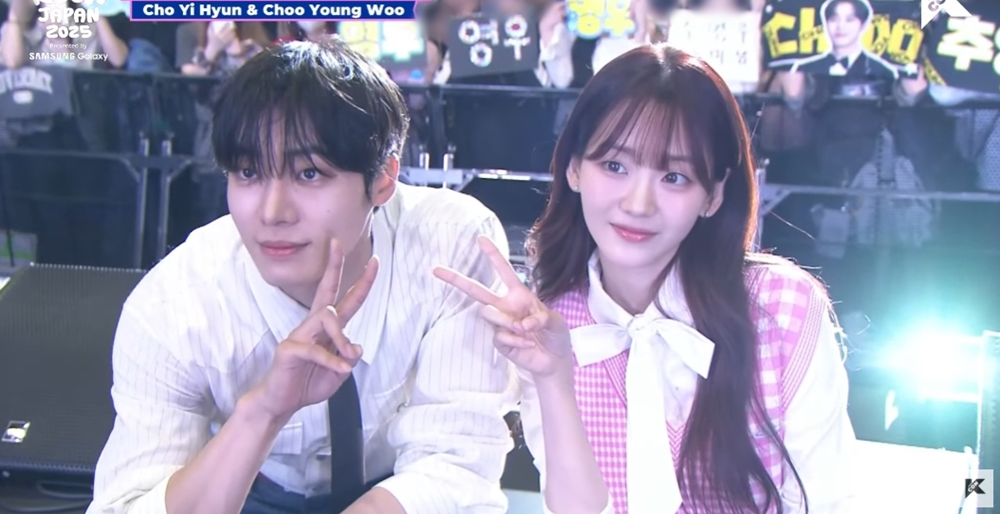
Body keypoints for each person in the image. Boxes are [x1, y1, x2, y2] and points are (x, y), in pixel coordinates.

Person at [87, 39, 517, 514]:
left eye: (309, 173)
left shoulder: (452, 245)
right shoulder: (175, 305)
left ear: (383, 178)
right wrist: (263, 410)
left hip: (401, 486)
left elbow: (455, 463)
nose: (272, 212)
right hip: (242, 487)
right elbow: (123, 506)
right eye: (248, 172)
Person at [435, 44, 856, 513]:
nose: (638, 204)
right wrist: (553, 377)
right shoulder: (551, 320)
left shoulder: (781, 308)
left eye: (674, 177)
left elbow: (828, 500)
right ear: (574, 167)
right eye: (614, 166)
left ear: (713, 195)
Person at [789, 0, 899, 80]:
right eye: (834, 19)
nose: (840, 26)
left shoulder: (882, 70)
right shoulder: (805, 68)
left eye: (849, 20)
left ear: (864, 25)